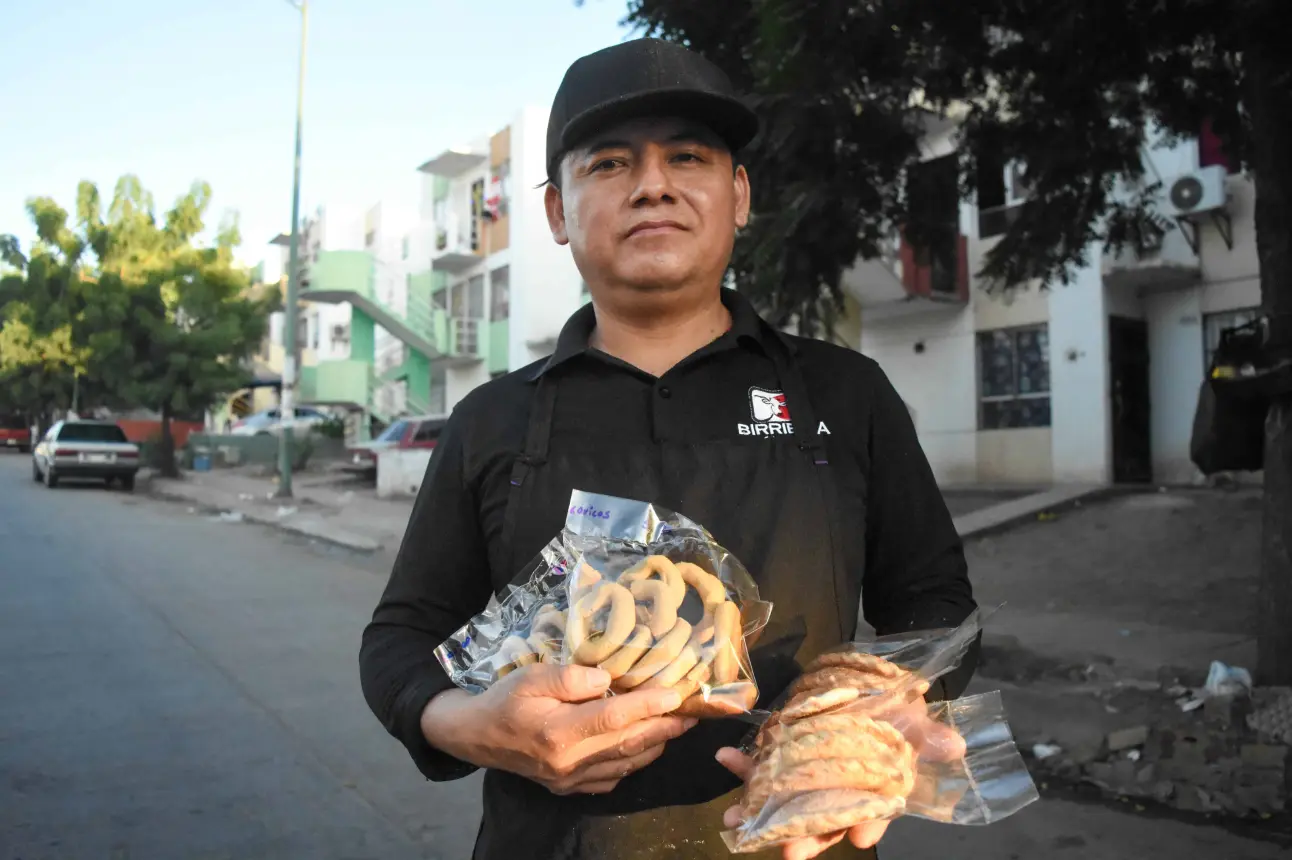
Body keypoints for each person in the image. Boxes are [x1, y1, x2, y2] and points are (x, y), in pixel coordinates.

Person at [360, 37, 977, 860]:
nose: (652, 185)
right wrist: (465, 724)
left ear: (740, 193)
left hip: (803, 836)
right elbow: (401, 636)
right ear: (556, 212)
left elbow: (937, 604)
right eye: (609, 164)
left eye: (687, 156)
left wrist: (902, 710)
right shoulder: (492, 419)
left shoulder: (845, 393)